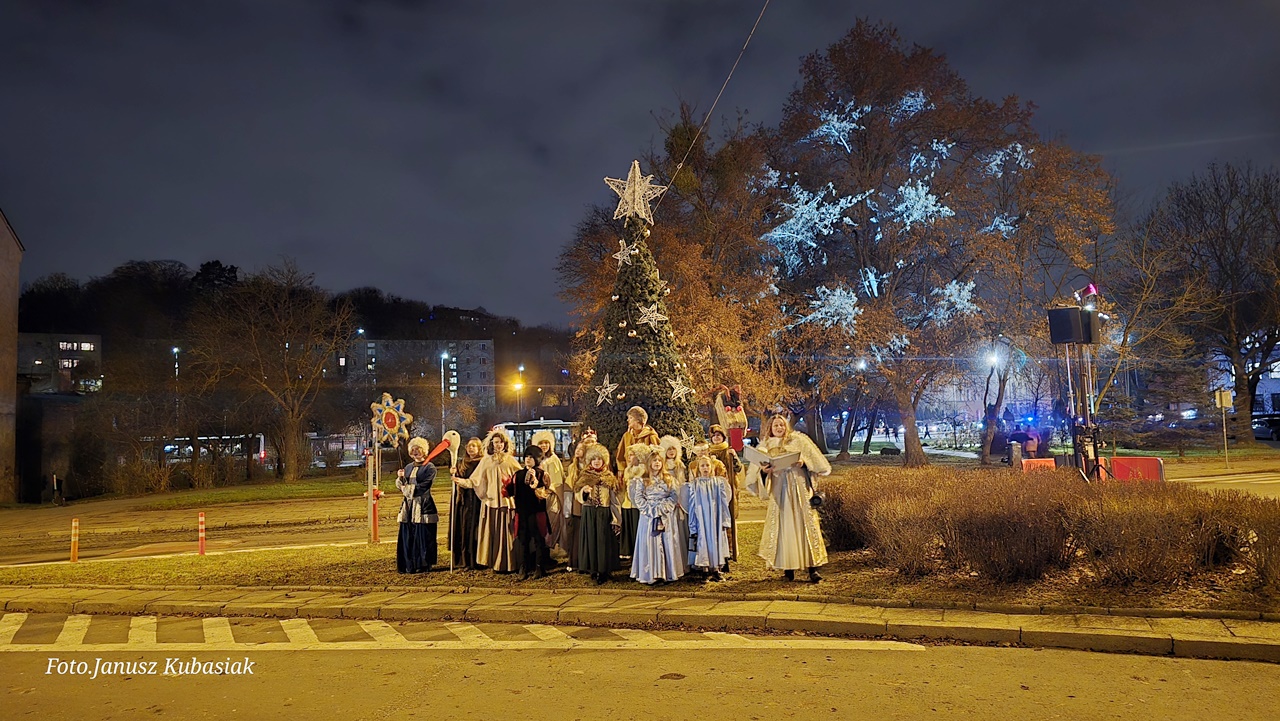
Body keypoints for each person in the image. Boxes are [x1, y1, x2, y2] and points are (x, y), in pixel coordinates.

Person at [745, 414, 832, 583]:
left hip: (800, 487)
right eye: (775, 426)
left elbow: (820, 466)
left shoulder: (799, 440)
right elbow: (755, 476)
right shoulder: (765, 446)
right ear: (770, 429)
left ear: (786, 426)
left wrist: (804, 463)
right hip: (780, 490)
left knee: (805, 524)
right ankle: (788, 569)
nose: (779, 428)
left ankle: (812, 568)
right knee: (784, 526)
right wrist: (764, 472)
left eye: (781, 425)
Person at [454, 429, 521, 572]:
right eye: (495, 442)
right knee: (493, 534)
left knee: (506, 535)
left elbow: (519, 477)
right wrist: (461, 481)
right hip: (491, 503)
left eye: (500, 442)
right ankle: (494, 563)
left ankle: (508, 563)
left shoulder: (511, 461)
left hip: (506, 503)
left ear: (505, 444)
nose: (498, 445)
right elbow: (475, 480)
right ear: (491, 444)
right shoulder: (486, 461)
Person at [629, 444, 686, 585]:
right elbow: (638, 497)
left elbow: (674, 496)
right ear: (649, 463)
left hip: (665, 514)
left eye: (659, 461)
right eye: (654, 461)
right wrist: (649, 510)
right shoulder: (642, 480)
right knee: (651, 542)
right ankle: (651, 573)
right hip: (649, 516)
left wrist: (664, 508)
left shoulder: (669, 479)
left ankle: (667, 572)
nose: (657, 463)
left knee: (667, 541)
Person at [577, 443, 621, 584]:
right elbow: (578, 495)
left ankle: (604, 570)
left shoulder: (609, 478)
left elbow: (614, 500)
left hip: (604, 513)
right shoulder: (584, 476)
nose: (596, 461)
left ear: (604, 461)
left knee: (603, 541)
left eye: (599, 459)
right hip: (590, 513)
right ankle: (593, 570)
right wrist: (584, 492)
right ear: (589, 461)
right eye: (594, 459)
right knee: (591, 540)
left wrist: (616, 518)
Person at [686, 454, 733, 581]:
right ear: (699, 468)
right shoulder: (695, 484)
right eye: (702, 466)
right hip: (702, 518)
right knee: (704, 540)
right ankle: (705, 569)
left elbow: (723, 502)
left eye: (707, 465)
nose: (705, 468)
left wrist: (724, 519)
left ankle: (716, 569)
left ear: (711, 467)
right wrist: (693, 523)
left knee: (716, 540)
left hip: (715, 517)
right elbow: (692, 504)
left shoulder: (718, 482)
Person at [506, 445, 550, 580]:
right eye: (526, 457)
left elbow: (545, 491)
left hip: (536, 512)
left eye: (531, 457)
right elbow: (511, 491)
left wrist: (536, 484)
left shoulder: (542, 474)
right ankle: (523, 567)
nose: (528, 459)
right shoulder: (518, 474)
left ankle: (539, 567)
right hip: (522, 512)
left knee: (538, 539)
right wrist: (506, 486)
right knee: (523, 540)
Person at [395, 436, 438, 574]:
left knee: (422, 535)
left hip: (423, 505)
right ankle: (409, 564)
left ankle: (422, 564)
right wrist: (400, 478)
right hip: (408, 507)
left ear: (424, 450)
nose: (415, 452)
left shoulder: (429, 467)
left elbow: (424, 486)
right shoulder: (408, 467)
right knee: (409, 535)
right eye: (413, 449)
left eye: (418, 449)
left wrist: (406, 489)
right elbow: (402, 485)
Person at [703, 424, 742, 567]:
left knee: (729, 518)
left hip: (728, 488)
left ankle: (731, 548)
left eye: (719, 435)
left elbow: (738, 468)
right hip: (712, 491)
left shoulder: (727, 450)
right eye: (714, 435)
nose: (716, 438)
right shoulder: (707, 452)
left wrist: (734, 457)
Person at [448, 437, 485, 571]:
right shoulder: (462, 463)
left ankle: (475, 559)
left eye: (474, 446)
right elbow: (458, 478)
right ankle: (463, 559)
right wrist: (454, 472)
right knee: (463, 528)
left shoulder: (482, 463)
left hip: (476, 499)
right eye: (469, 446)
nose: (471, 448)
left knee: (474, 528)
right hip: (463, 500)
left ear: (479, 448)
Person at [532, 430, 566, 563]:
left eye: (546, 443)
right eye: (541, 443)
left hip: (551, 496)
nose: (544, 446)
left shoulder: (553, 460)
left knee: (551, 523)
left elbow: (558, 480)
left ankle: (548, 552)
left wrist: (549, 489)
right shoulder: (536, 460)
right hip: (538, 497)